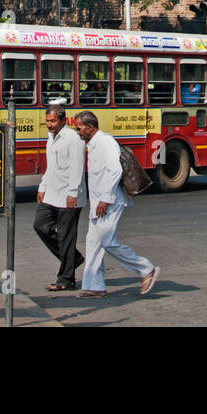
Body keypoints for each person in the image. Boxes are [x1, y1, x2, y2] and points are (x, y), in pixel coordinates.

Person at [74, 111, 158, 299]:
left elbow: (115, 171)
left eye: (79, 128)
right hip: (99, 202)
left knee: (106, 241)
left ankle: (146, 269)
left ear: (89, 127)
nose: (78, 132)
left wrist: (104, 198)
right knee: (93, 242)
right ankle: (94, 286)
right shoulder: (93, 144)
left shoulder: (105, 141)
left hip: (110, 201)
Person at [34, 101, 86, 292]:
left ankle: (66, 279)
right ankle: (74, 257)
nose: (49, 124)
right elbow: (51, 166)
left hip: (69, 195)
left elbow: (77, 167)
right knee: (40, 225)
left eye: (53, 121)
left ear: (63, 120)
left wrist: (73, 193)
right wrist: (43, 186)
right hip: (52, 193)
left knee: (66, 237)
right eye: (47, 121)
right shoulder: (51, 137)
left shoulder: (73, 139)